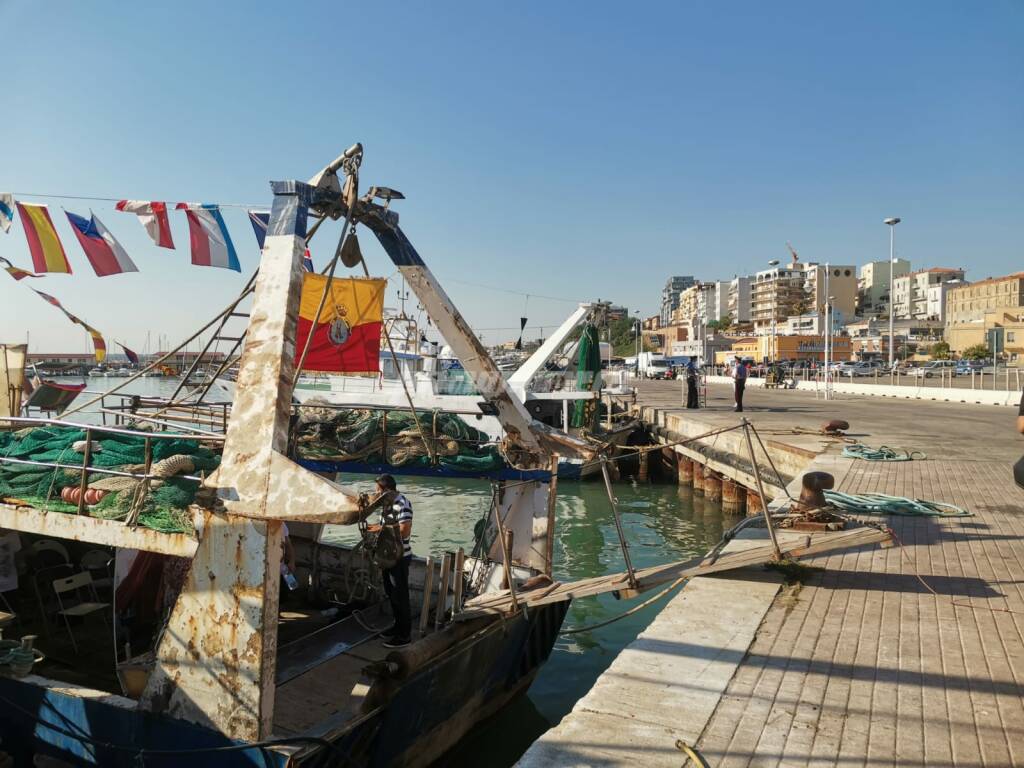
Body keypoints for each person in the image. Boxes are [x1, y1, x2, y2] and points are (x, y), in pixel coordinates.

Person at [370, 474, 414, 648]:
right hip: (387, 557)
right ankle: (397, 627)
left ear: (387, 490)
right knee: (391, 594)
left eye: (378, 491)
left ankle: (404, 636)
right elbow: (388, 526)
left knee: (400, 596)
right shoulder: (387, 504)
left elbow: (404, 531)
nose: (376, 494)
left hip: (399, 558)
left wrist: (379, 529)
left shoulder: (403, 504)